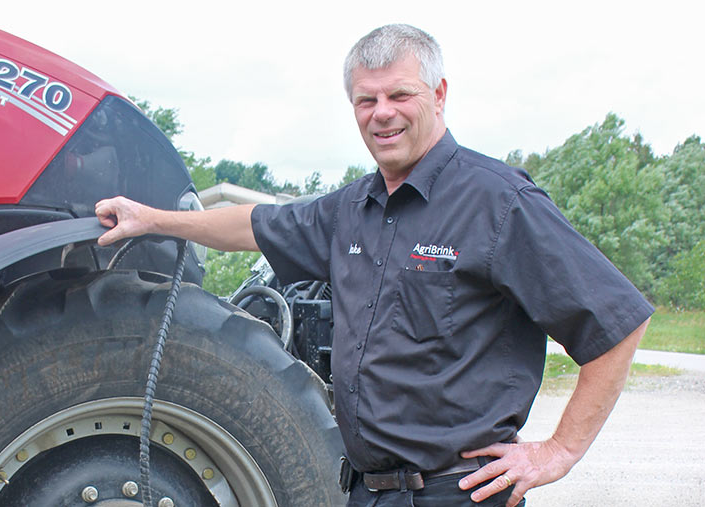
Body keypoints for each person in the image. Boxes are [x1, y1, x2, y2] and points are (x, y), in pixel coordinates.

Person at [95, 24, 653, 507]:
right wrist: (152, 220)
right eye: (366, 100)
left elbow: (617, 320)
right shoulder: (352, 209)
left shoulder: (498, 203)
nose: (382, 113)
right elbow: (252, 225)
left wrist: (558, 452)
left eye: (399, 95)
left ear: (438, 95)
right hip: (368, 491)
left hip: (457, 494)